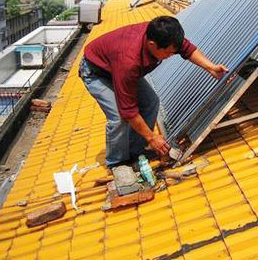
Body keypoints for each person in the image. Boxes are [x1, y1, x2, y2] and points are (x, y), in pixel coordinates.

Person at [79, 16, 228, 168]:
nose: (170, 56)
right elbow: (128, 111)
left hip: (117, 67)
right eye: (168, 53)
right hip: (97, 72)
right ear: (152, 44)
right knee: (118, 117)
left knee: (150, 102)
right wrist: (152, 137)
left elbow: (187, 49)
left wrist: (211, 67)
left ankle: (136, 152)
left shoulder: (164, 34)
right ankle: (117, 164)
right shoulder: (129, 61)